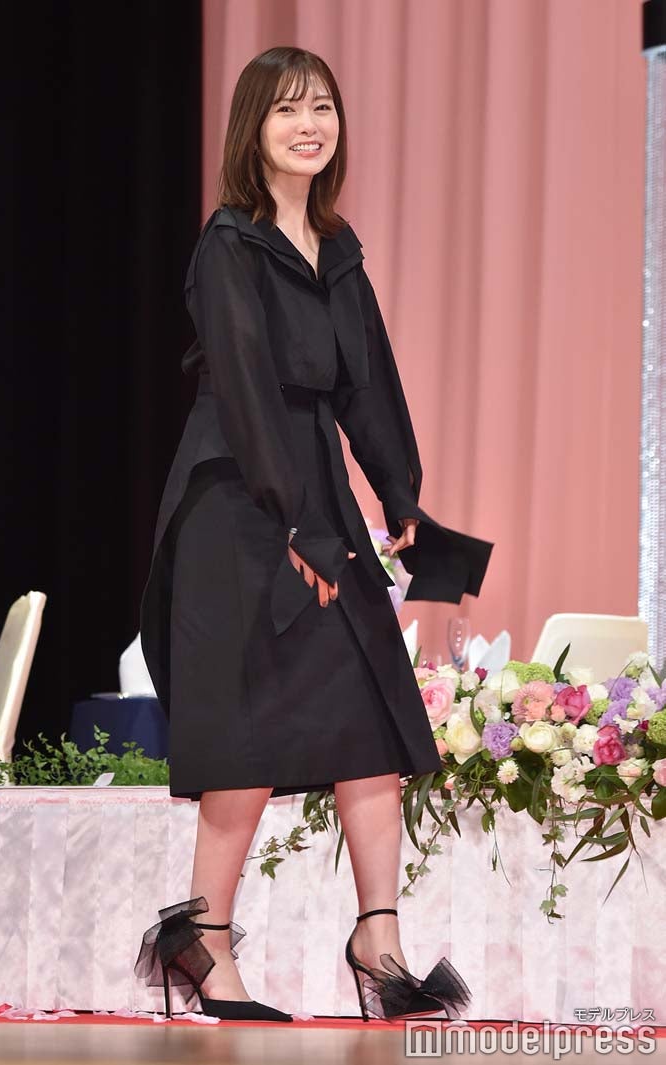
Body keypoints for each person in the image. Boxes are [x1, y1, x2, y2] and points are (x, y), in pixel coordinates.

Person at [134, 46, 493, 1023]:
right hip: (238, 502)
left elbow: (367, 385)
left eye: (323, 107)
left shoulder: (336, 249)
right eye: (288, 109)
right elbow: (246, 392)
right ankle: (203, 937)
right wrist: (295, 519)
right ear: (252, 128)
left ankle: (378, 943)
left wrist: (401, 496)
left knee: (371, 718)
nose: (309, 124)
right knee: (247, 727)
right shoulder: (227, 245)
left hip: (314, 497)